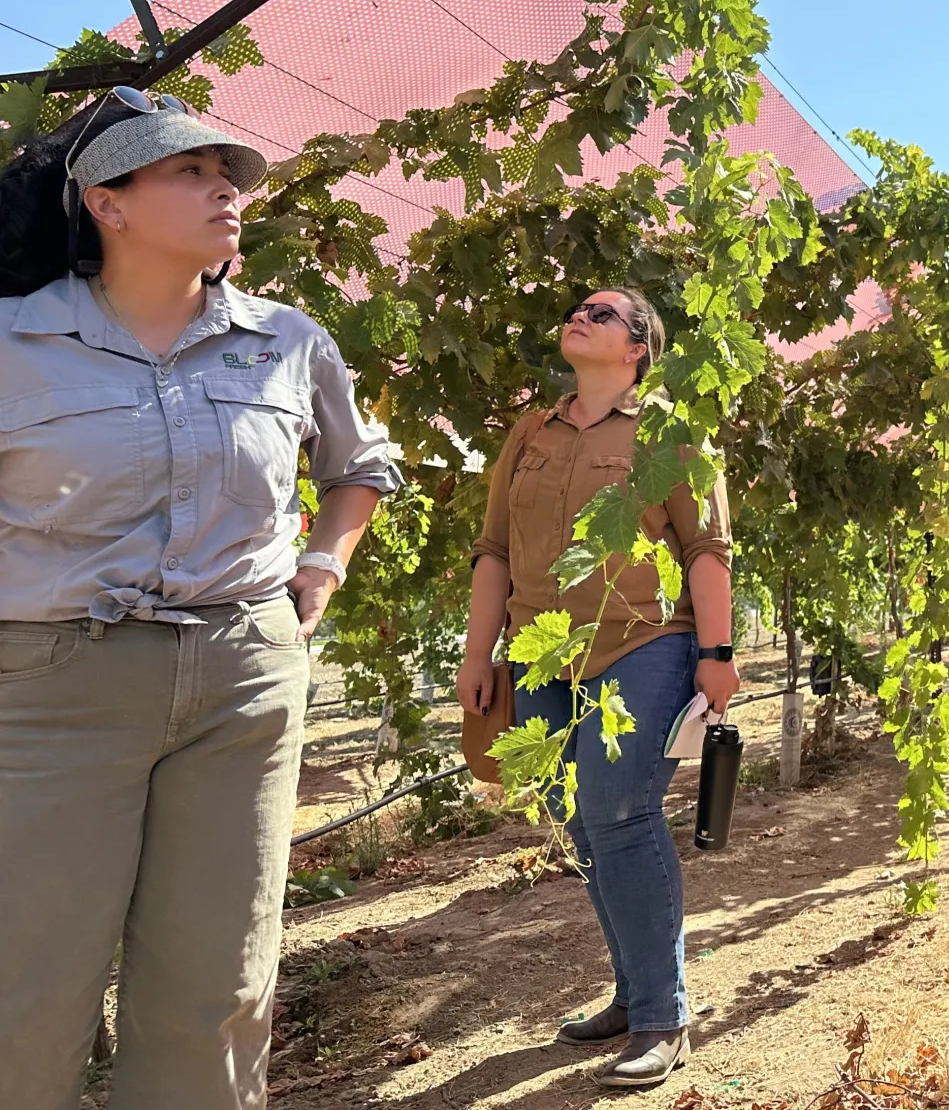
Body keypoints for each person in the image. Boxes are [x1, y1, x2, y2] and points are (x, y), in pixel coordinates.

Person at [0, 87, 402, 1110]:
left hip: (242, 679)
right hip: (51, 687)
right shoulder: (13, 341)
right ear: (107, 201)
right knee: (24, 986)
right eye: (188, 170)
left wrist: (326, 562)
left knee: (218, 984)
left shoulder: (286, 339)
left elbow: (362, 464)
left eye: (228, 172)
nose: (224, 186)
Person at [456, 286, 738, 1091]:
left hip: (643, 643)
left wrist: (717, 651)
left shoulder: (673, 434)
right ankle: (633, 990)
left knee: (618, 809)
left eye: (604, 314)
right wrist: (480, 653)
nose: (582, 315)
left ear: (637, 350)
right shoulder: (531, 433)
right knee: (573, 815)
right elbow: (494, 550)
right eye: (580, 308)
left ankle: (662, 1014)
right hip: (543, 653)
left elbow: (705, 550)